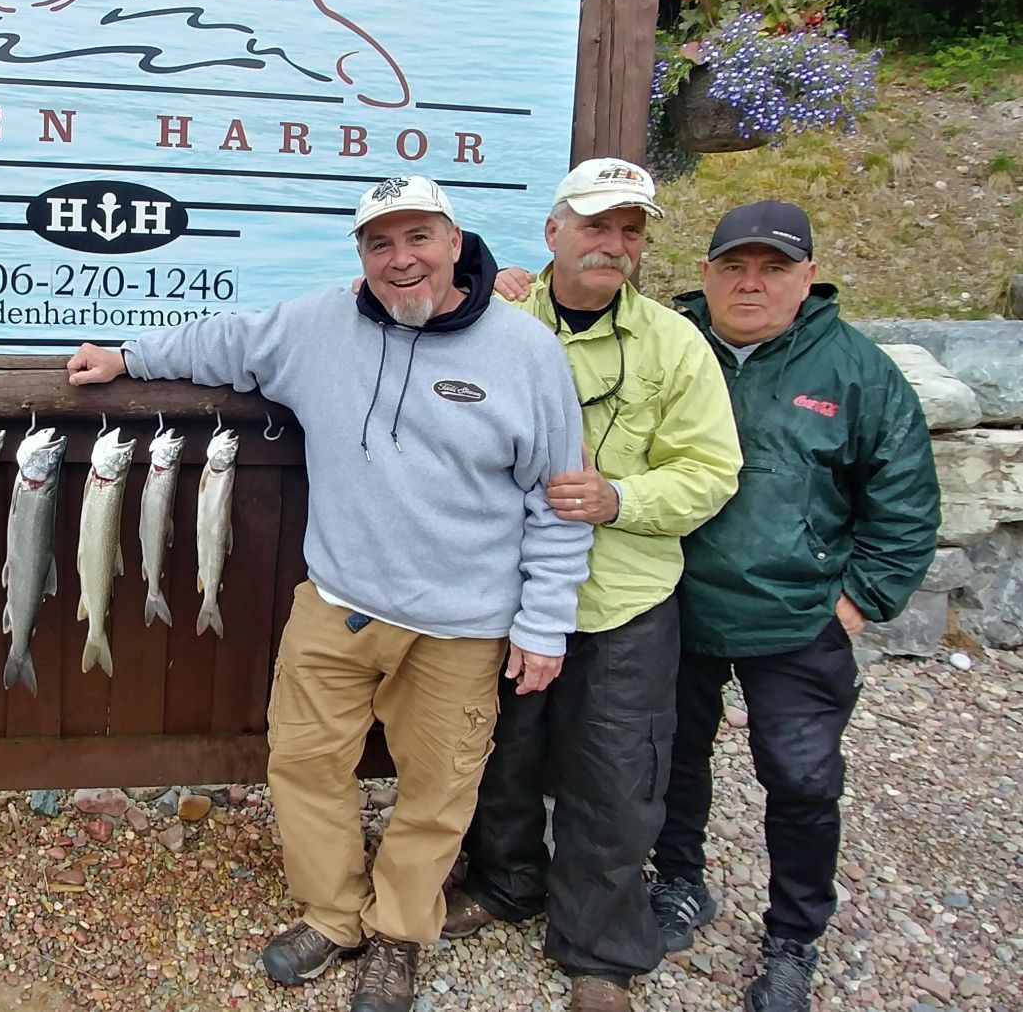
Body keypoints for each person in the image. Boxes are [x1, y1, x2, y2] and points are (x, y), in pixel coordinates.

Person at [66, 176, 592, 1012]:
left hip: (464, 625)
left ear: (455, 241)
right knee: (305, 764)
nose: (400, 258)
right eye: (379, 244)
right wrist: (128, 359)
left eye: (418, 237)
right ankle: (333, 914)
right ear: (361, 256)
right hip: (339, 603)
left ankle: (397, 935)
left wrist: (545, 624)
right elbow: (228, 339)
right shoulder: (320, 325)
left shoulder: (528, 354)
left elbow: (562, 498)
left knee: (439, 787)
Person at [440, 159, 742, 1012]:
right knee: (499, 757)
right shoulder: (491, 320)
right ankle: (506, 884)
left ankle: (600, 951)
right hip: (501, 589)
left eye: (630, 231)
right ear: (553, 234)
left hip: (625, 600)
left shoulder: (677, 345)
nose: (614, 245)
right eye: (597, 227)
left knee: (613, 778)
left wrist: (621, 498)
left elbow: (713, 471)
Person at [648, 201, 939, 1012]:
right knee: (673, 757)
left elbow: (905, 499)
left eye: (774, 268)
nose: (751, 284)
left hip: (798, 615)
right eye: (733, 267)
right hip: (677, 603)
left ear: (807, 278)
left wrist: (857, 604)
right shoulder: (672, 346)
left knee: (803, 780)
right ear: (704, 275)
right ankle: (679, 881)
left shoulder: (855, 370)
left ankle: (794, 935)